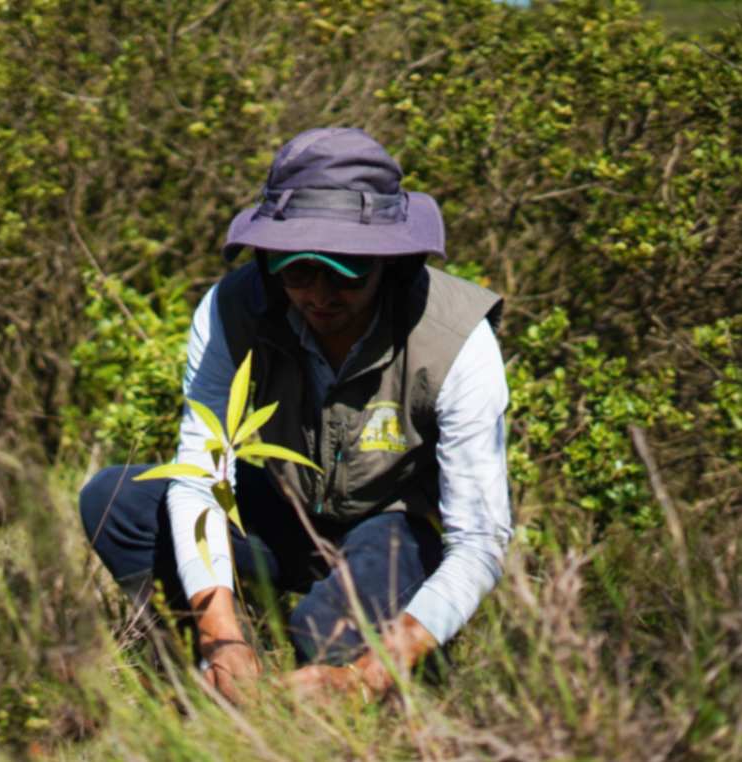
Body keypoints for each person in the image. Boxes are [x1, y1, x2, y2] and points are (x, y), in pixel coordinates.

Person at [80, 127, 511, 703]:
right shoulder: (232, 310)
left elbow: (480, 539)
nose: (319, 294)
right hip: (288, 509)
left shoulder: (456, 338)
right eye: (297, 269)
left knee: (325, 634)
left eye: (347, 270)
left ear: (391, 263)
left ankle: (387, 661)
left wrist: (367, 676)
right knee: (117, 501)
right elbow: (200, 478)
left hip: (396, 530)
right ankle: (212, 676)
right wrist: (219, 634)